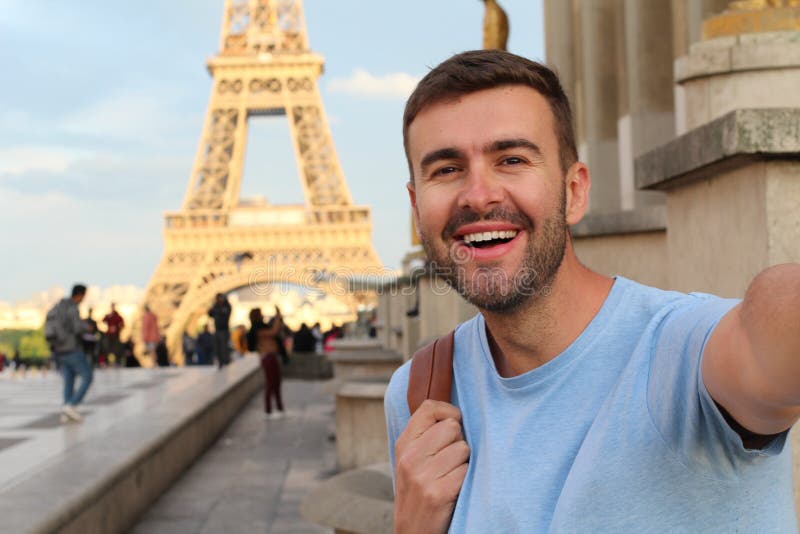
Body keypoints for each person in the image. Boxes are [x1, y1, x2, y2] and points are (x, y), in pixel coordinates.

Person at [384, 50, 800, 532]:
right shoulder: (418, 392)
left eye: (512, 159)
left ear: (575, 191)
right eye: (446, 169)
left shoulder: (680, 357)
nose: (479, 195)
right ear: (417, 209)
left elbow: (770, 338)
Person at [48, 284, 93, 423]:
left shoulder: (58, 307)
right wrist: (87, 327)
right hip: (72, 348)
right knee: (87, 376)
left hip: (59, 349)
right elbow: (76, 327)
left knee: (69, 379)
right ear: (79, 295)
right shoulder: (72, 308)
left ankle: (66, 410)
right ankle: (72, 404)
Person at [251, 307, 286, 419]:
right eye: (260, 314)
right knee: (271, 383)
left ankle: (278, 408)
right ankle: (269, 410)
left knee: (276, 382)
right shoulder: (258, 329)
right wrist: (277, 316)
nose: (263, 315)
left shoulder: (260, 328)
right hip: (268, 358)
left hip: (271, 357)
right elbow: (274, 331)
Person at [208, 293, 232, 368]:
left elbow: (224, 314)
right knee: (218, 347)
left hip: (224, 330)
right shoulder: (216, 306)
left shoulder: (226, 306)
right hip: (218, 330)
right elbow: (210, 314)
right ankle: (221, 362)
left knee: (223, 347)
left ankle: (225, 361)